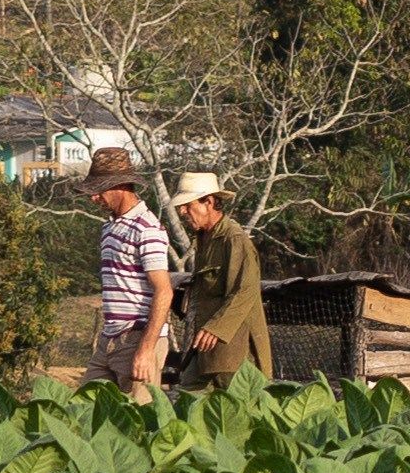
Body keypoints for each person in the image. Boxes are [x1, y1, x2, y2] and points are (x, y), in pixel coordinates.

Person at [170, 165, 271, 394]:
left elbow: (245, 291)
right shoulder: (205, 239)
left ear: (208, 202)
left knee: (242, 411)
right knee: (188, 398)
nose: (183, 211)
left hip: (233, 348)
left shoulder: (234, 240)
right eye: (181, 206)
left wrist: (216, 328)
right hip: (204, 347)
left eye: (188, 205)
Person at [85, 147, 176, 395]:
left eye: (100, 190)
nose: (94, 198)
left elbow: (164, 291)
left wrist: (146, 350)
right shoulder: (110, 228)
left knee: (137, 423)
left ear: (121, 186)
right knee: (82, 411)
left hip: (137, 338)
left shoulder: (147, 228)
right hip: (109, 338)